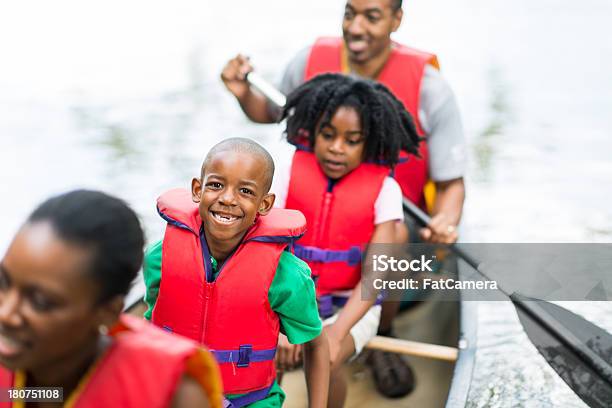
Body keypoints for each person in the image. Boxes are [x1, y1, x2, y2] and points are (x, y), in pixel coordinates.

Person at [221, 0, 466, 397]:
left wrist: (447, 220)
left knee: (396, 239)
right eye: (350, 13)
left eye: (372, 16)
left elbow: (453, 182)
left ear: (396, 19)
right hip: (305, 264)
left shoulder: (430, 88)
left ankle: (383, 332)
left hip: (401, 224)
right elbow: (273, 111)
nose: (357, 27)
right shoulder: (307, 69)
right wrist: (242, 93)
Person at [143, 138, 330, 408]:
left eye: (245, 191)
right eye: (216, 185)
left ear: (264, 205)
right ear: (197, 189)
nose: (228, 199)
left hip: (249, 401)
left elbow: (317, 344)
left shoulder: (286, 275)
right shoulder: (160, 257)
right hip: (173, 394)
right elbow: (155, 323)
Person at [271, 74, 420, 407]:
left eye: (352, 140)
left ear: (368, 143)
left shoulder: (385, 190)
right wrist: (284, 323)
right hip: (285, 299)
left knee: (324, 357)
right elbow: (266, 253)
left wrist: (335, 335)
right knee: (263, 353)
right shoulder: (286, 169)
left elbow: (374, 278)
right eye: (328, 136)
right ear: (313, 131)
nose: (337, 148)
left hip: (348, 309)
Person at [0, 190, 223, 408]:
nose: (5, 314)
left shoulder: (175, 397)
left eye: (40, 301)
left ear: (107, 312)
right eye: (3, 283)